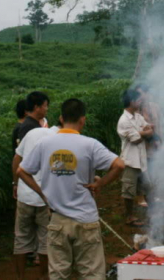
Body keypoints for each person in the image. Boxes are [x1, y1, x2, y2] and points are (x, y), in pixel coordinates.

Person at [18, 98, 125, 280]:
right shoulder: (90, 144)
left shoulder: (45, 144)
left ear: (61, 118)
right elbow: (119, 165)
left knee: (59, 274)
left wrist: (43, 194)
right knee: (91, 274)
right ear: (82, 120)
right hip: (86, 220)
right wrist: (100, 183)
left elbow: (22, 170)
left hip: (57, 219)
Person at [11, 122, 61, 280]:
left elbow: (16, 159)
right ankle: (44, 277)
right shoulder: (60, 139)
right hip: (45, 198)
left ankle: (20, 277)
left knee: (21, 237)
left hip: (25, 194)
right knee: (45, 238)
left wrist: (16, 184)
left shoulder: (32, 133)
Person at [117, 88, 154, 226]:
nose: (141, 102)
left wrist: (143, 133)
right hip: (130, 161)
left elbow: (149, 130)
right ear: (132, 102)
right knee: (128, 190)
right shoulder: (123, 120)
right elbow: (135, 139)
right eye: (138, 100)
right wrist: (144, 133)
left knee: (146, 187)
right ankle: (129, 217)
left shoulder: (138, 117)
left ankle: (153, 215)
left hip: (141, 160)